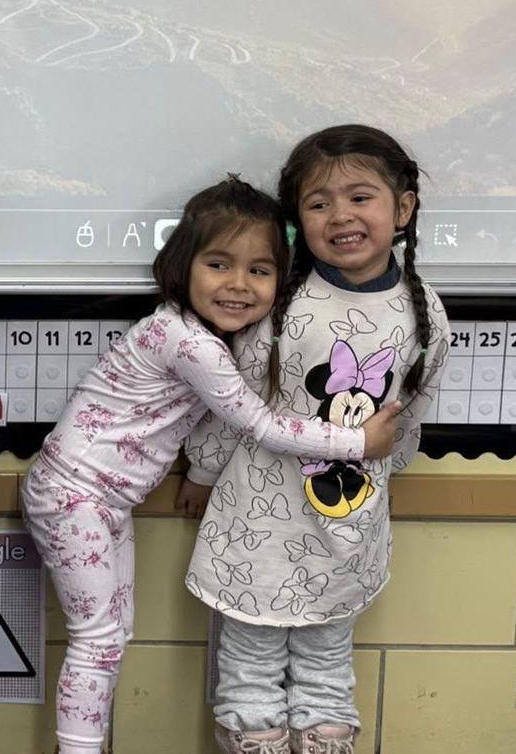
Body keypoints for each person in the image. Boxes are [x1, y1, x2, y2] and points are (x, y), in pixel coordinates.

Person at [21, 177, 400, 754]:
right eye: (219, 264)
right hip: (72, 493)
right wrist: (357, 441)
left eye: (260, 271)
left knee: (111, 636)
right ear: (183, 265)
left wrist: (200, 473)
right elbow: (260, 424)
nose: (238, 286)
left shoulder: (205, 336)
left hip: (102, 499)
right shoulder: (184, 339)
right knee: (97, 639)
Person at [183, 126, 449, 754]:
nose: (341, 216)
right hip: (260, 527)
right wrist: (201, 470)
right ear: (296, 218)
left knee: (328, 675)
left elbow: (411, 419)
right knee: (248, 672)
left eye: (362, 197)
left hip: (347, 531)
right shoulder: (276, 301)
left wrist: (384, 482)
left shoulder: (426, 313)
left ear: (403, 208)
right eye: (319, 203)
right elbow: (233, 402)